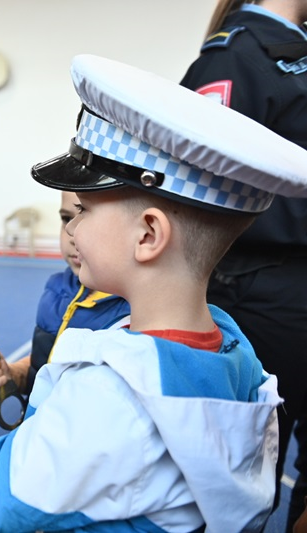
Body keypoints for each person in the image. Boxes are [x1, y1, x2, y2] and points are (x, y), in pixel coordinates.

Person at [0, 54, 307, 532]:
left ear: (147, 236)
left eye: (86, 209)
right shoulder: (232, 349)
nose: (72, 225)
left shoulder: (116, 396)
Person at [179, 1, 307, 528]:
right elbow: (196, 192)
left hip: (281, 292)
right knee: (240, 471)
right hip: (262, 292)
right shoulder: (239, 55)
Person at [0, 191, 130, 397]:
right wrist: (12, 374)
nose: (72, 233)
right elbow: (42, 366)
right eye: (66, 218)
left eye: (88, 217)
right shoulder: (57, 289)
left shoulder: (135, 315)